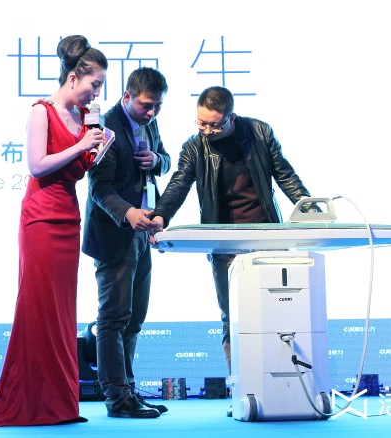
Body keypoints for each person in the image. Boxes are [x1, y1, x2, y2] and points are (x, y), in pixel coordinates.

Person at [0, 35, 107, 427]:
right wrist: (81, 146)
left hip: (69, 217)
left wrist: (97, 147)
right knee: (37, 308)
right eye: (94, 84)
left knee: (62, 312)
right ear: (73, 78)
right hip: (41, 218)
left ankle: (59, 404)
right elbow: (37, 165)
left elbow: (80, 168)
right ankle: (30, 402)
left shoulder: (83, 116)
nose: (96, 93)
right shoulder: (42, 111)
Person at [150, 86, 314, 380]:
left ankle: (285, 383)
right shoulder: (194, 147)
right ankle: (240, 386)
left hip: (267, 237)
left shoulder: (260, 133)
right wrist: (161, 214)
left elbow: (285, 175)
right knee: (232, 317)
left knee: (279, 312)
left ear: (231, 118)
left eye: (215, 125)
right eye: (201, 123)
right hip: (223, 241)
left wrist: (309, 209)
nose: (207, 131)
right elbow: (179, 183)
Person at [82, 67, 171, 418]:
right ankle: (117, 399)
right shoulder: (104, 128)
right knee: (113, 319)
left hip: (143, 231)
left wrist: (157, 160)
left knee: (134, 318)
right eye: (146, 105)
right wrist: (128, 212)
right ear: (127, 97)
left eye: (158, 106)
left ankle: (130, 393)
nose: (151, 112)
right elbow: (99, 188)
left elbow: (164, 160)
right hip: (114, 232)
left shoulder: (150, 123)